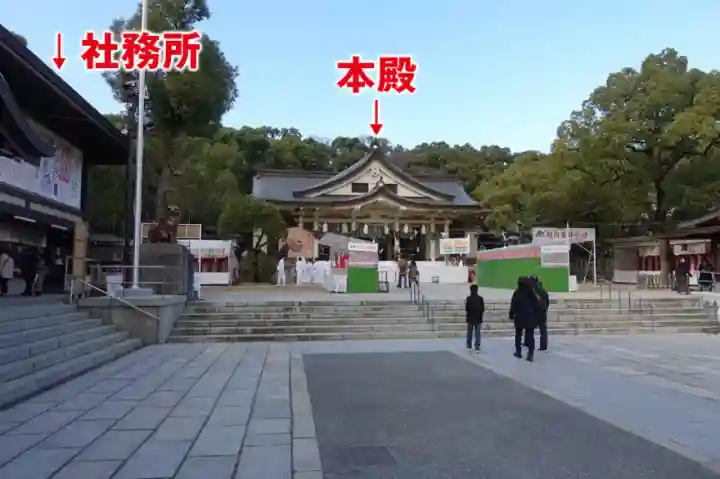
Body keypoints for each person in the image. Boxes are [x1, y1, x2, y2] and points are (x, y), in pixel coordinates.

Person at [509, 276, 543, 362]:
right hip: (530, 317)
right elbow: (537, 306)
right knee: (530, 336)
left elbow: (513, 305)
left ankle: (518, 352)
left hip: (519, 318)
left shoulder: (517, 293)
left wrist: (511, 315)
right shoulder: (532, 294)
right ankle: (530, 354)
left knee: (518, 335)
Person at [530, 276, 550, 351]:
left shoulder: (531, 291)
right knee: (543, 330)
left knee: (529, 329)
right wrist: (545, 310)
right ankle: (543, 346)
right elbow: (547, 302)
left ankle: (528, 343)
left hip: (534, 313)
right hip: (542, 313)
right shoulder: (543, 291)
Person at [465, 284, 485, 353]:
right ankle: (477, 347)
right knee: (477, 334)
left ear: (471, 290)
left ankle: (469, 346)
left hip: (470, 318)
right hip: (478, 318)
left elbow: (467, 308)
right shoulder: (480, 298)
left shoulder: (468, 298)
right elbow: (483, 309)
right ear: (477, 290)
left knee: (469, 333)